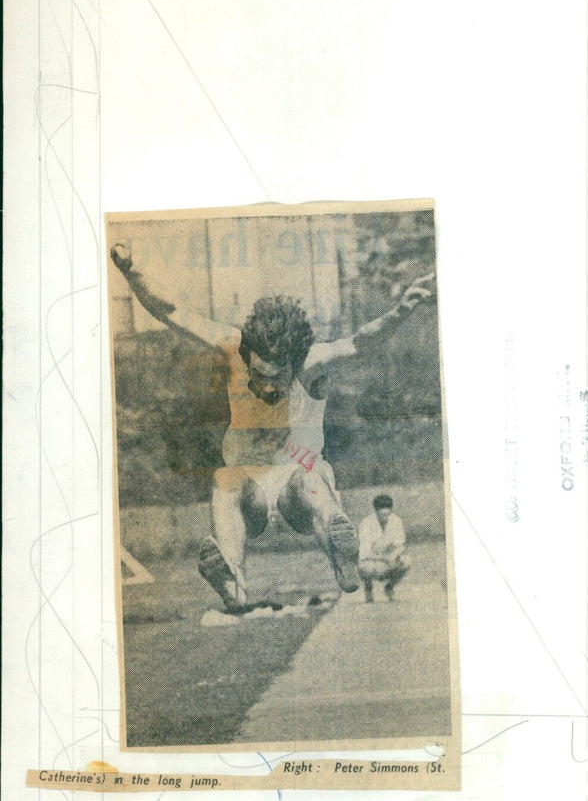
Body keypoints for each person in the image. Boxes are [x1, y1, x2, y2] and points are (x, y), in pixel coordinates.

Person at [110, 241, 433, 611]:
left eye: (277, 379)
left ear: (294, 366)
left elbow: (361, 343)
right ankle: (232, 582)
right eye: (258, 375)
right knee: (225, 480)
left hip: (299, 490)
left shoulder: (312, 362)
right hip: (254, 496)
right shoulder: (232, 346)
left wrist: (403, 311)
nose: (265, 387)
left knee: (310, 480)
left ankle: (341, 554)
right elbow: (171, 311)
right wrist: (131, 269)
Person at [358, 494, 410, 602]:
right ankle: (368, 588)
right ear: (376, 512)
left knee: (407, 561)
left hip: (388, 560)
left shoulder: (396, 521)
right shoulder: (366, 523)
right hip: (372, 561)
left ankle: (389, 587)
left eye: (388, 514)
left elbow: (400, 545)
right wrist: (384, 558)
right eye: (382, 515)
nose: (385, 518)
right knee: (364, 566)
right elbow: (364, 552)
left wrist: (393, 556)